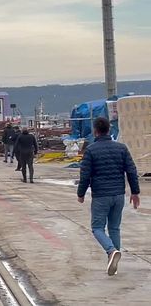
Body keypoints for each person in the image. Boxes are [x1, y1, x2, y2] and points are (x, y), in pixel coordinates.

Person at [77, 117, 141, 276]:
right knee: (114, 228)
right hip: (119, 194)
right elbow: (131, 171)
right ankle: (113, 263)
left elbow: (85, 175)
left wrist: (81, 193)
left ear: (95, 131)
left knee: (97, 228)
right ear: (109, 130)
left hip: (101, 195)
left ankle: (111, 251)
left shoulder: (91, 150)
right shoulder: (122, 148)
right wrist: (135, 192)